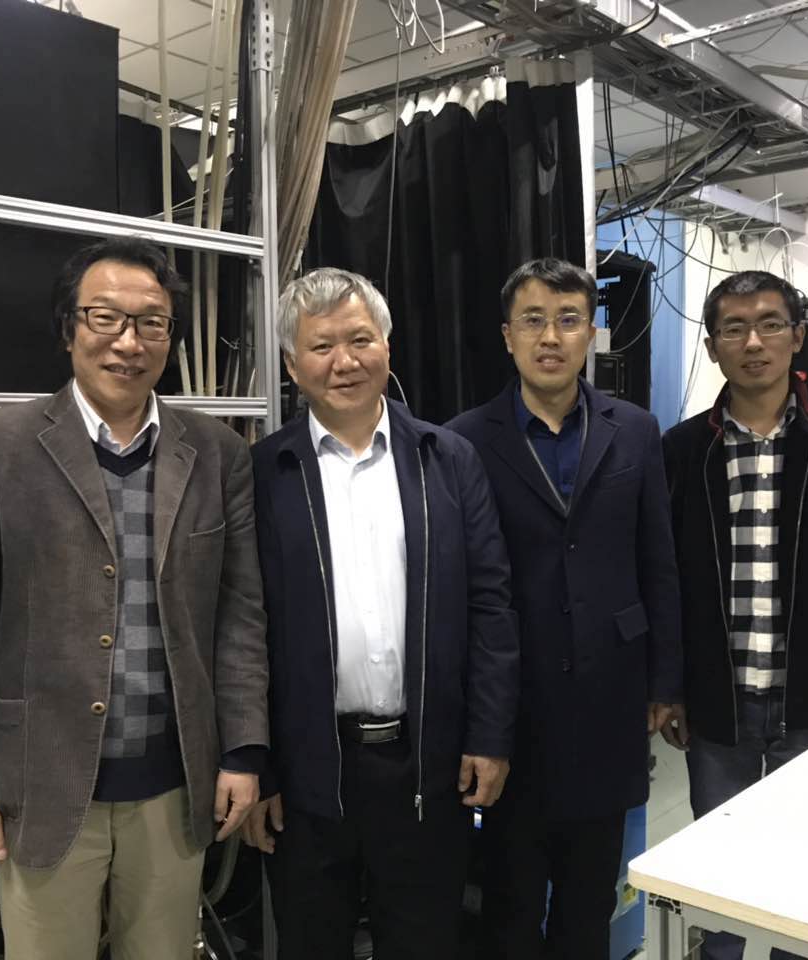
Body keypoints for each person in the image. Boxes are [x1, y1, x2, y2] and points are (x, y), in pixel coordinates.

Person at [0, 237, 269, 960]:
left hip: (175, 787)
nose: (128, 343)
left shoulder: (217, 453)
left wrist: (242, 750)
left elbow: (238, 619)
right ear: (68, 328)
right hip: (39, 786)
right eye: (105, 318)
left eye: (151, 323)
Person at [241, 267, 519, 960]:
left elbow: (491, 604)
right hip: (306, 769)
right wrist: (257, 765)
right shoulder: (263, 473)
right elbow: (242, 630)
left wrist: (490, 735)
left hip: (426, 763)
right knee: (309, 943)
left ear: (387, 347)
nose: (344, 361)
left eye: (360, 340)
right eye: (322, 346)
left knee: (424, 940)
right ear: (292, 365)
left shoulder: (447, 460)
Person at [446, 257, 683, 960]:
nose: (550, 337)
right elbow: (458, 584)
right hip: (512, 706)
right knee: (511, 902)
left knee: (590, 900)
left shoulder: (634, 429)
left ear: (591, 335)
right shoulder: (462, 439)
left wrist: (665, 680)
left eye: (568, 320)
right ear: (507, 336)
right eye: (533, 320)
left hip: (611, 696)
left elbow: (658, 560)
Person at [661, 271, 808, 960]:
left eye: (769, 324)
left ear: (797, 337)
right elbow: (667, 579)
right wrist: (669, 685)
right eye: (733, 328)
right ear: (712, 346)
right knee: (721, 867)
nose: (753, 343)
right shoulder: (684, 449)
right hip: (719, 702)